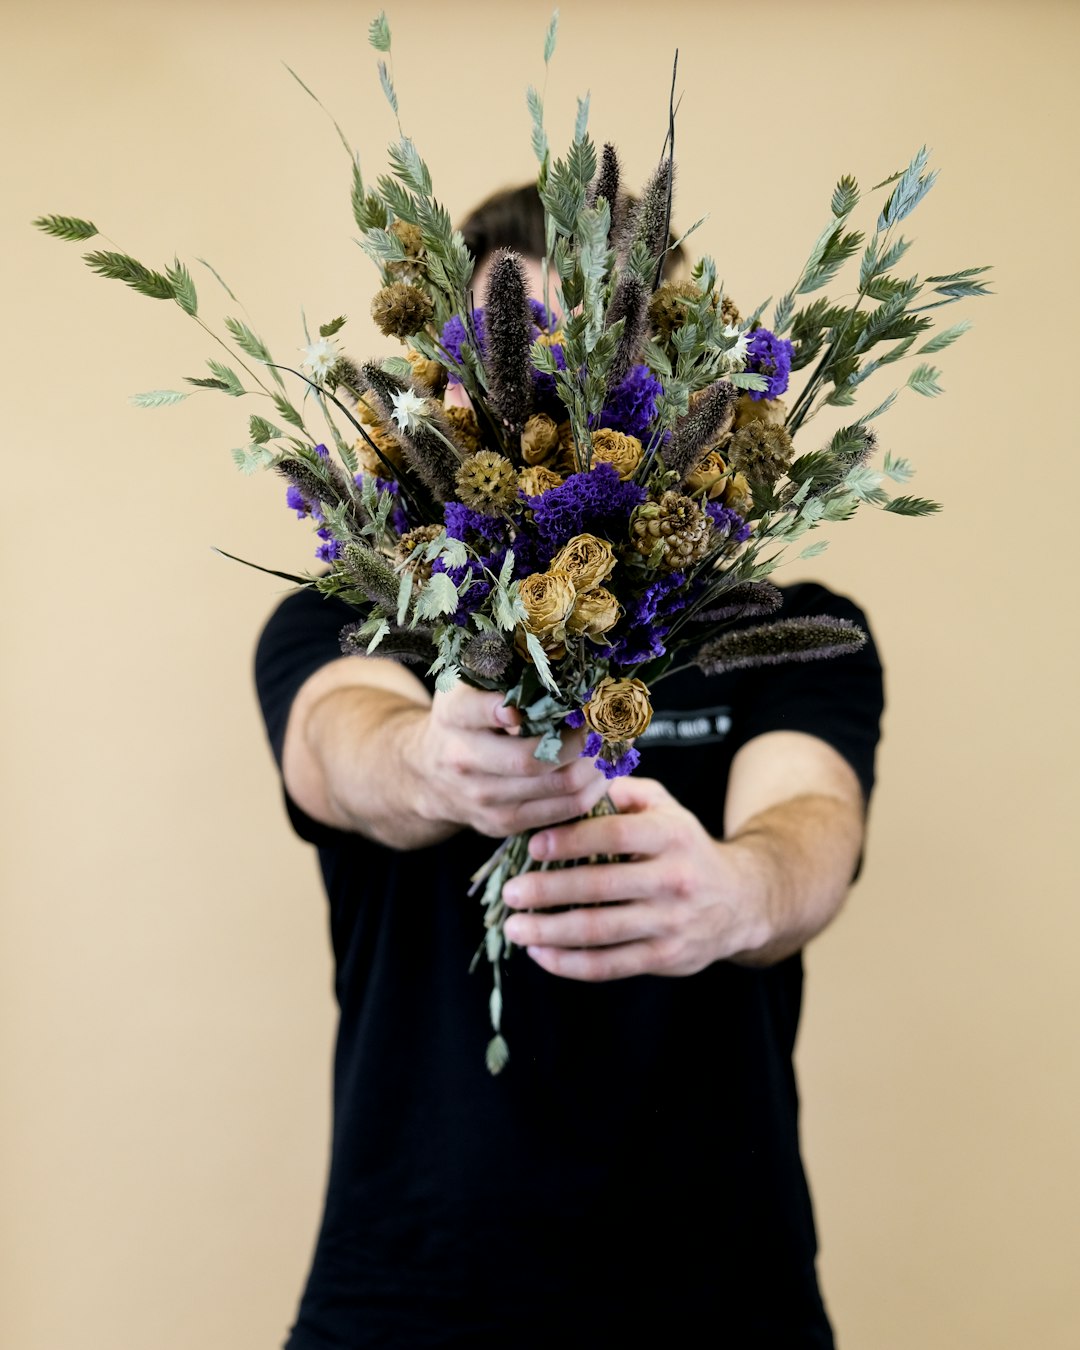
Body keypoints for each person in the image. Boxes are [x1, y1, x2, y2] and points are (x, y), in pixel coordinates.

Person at [254, 184, 885, 1348]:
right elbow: (339, 745)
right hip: (409, 1294)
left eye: (600, 363)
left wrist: (736, 891)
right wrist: (434, 763)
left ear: (682, 382)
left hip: (721, 1294)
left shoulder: (791, 631)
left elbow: (813, 820)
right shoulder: (357, 617)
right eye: (527, 361)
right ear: (448, 387)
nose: (554, 399)